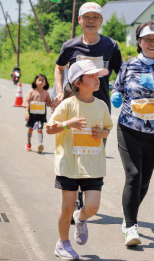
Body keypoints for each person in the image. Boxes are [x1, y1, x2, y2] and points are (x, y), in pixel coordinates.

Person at [111, 21, 154, 247]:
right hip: (129, 128)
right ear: (139, 41)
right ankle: (131, 227)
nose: (152, 43)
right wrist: (115, 96)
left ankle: (127, 215)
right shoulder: (128, 65)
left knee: (144, 181)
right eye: (147, 39)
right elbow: (117, 87)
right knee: (133, 176)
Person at [53, 1, 122, 212]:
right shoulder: (70, 46)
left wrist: (118, 91)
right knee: (73, 151)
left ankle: (84, 195)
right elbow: (59, 67)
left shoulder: (111, 46)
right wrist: (58, 91)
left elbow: (121, 73)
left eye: (95, 17)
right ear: (80, 21)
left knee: (92, 152)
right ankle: (76, 199)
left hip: (99, 109)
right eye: (87, 17)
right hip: (74, 107)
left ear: (101, 21)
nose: (91, 21)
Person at [46, 60, 113, 260]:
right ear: (78, 82)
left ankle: (81, 218)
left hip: (93, 165)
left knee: (92, 206)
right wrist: (68, 124)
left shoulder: (101, 105)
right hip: (69, 164)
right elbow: (50, 128)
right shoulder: (68, 105)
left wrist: (102, 133)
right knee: (67, 206)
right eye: (91, 76)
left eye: (97, 75)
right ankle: (63, 244)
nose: (97, 79)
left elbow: (107, 130)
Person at [22, 74, 52, 153]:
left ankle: (40, 144)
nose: (41, 82)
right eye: (39, 80)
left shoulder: (46, 93)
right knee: (31, 129)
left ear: (45, 83)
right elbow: (27, 103)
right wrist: (26, 113)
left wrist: (54, 104)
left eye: (42, 81)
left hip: (41, 115)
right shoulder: (31, 92)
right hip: (32, 115)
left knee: (39, 129)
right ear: (35, 81)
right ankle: (28, 144)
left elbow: (49, 103)